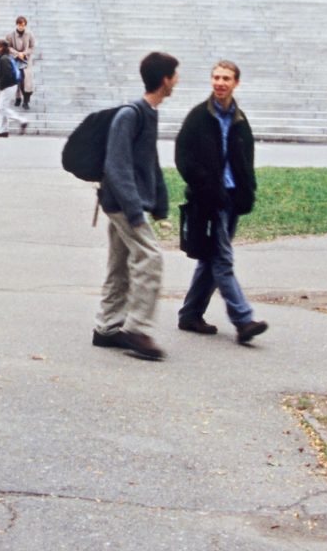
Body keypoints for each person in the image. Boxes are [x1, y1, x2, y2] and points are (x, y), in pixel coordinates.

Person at [173, 61, 268, 345]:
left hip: (232, 196)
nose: (220, 83)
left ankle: (190, 315)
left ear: (236, 83)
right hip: (208, 198)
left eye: (226, 78)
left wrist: (247, 190)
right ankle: (243, 320)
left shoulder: (239, 119)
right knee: (222, 259)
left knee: (210, 258)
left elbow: (246, 159)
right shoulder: (198, 116)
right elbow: (183, 157)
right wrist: (203, 184)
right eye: (216, 77)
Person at [92, 51, 178, 362]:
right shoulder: (130, 114)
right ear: (165, 80)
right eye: (175, 75)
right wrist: (134, 210)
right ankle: (138, 329)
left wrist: (160, 205)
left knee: (120, 264)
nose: (177, 81)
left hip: (128, 202)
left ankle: (107, 327)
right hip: (122, 204)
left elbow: (149, 162)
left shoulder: (148, 113)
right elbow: (116, 166)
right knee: (150, 257)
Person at [0, 38, 29, 137]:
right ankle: (3, 131)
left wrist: (2, 85)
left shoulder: (4, 59)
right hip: (10, 85)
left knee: (2, 109)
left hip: (8, 86)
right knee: (3, 108)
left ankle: (22, 120)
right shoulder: (6, 57)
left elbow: (7, 73)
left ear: (1, 47)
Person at [6, 15, 36, 109]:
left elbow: (32, 47)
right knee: (17, 79)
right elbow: (8, 47)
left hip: (26, 60)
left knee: (26, 81)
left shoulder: (29, 34)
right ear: (17, 24)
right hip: (15, 59)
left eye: (23, 25)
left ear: (25, 25)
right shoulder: (11, 35)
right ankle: (18, 98)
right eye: (19, 25)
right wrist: (17, 53)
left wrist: (24, 53)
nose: (21, 27)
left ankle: (26, 100)